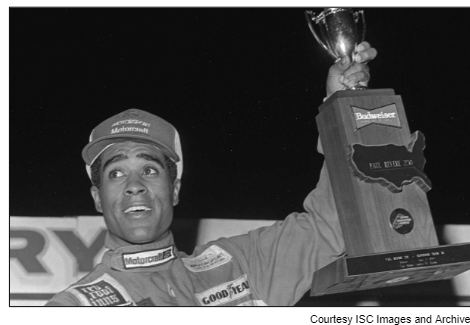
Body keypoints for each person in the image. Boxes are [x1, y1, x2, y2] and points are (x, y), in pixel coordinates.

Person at [45, 42, 377, 306]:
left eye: (149, 169)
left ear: (174, 189)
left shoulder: (238, 264)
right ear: (97, 198)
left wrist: (342, 105)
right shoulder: (75, 309)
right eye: (116, 174)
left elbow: (332, 226)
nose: (135, 186)